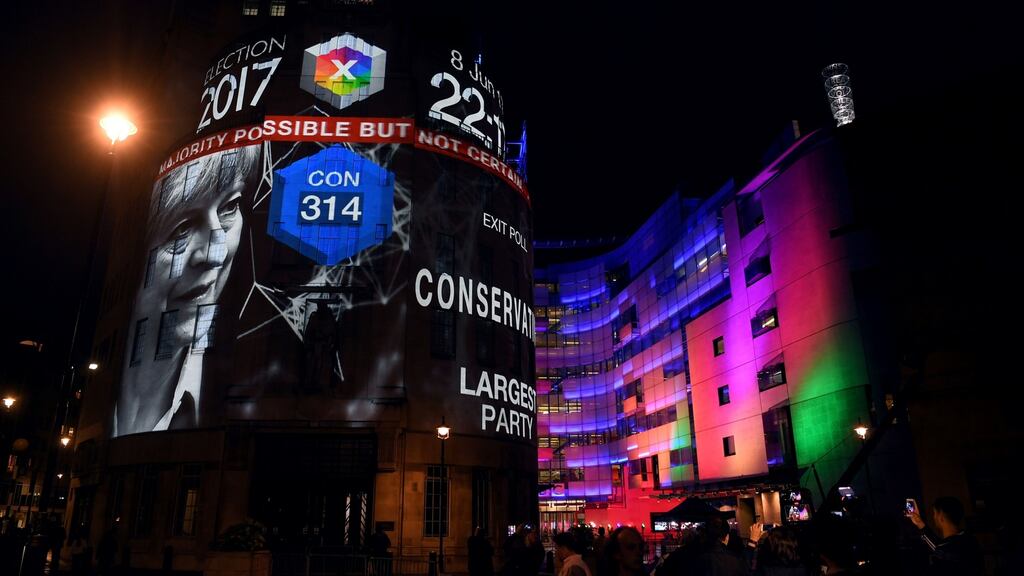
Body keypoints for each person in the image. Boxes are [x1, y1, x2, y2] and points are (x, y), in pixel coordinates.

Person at [115, 145, 260, 436]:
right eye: (182, 228)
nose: (215, 253)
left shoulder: (229, 401)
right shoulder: (112, 409)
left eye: (229, 207)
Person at [906, 496, 984, 575]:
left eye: (935, 513)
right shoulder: (970, 540)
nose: (934, 517)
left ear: (941, 516)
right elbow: (940, 546)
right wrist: (920, 523)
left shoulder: (945, 554)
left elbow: (940, 549)